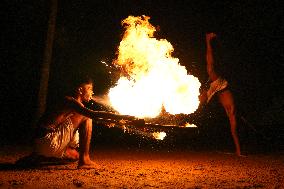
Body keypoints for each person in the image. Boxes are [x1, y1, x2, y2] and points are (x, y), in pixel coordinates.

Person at [17, 75, 135, 169]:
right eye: (89, 88)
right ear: (80, 90)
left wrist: (113, 121)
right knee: (87, 117)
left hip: (43, 145)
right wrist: (123, 116)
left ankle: (38, 158)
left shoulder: (75, 107)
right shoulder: (70, 101)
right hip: (47, 140)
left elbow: (88, 119)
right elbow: (92, 115)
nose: (92, 92)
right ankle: (85, 160)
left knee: (74, 156)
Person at [199, 33, 241, 156]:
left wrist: (238, 152)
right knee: (210, 68)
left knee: (201, 101)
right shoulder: (232, 110)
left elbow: (234, 132)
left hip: (216, 91)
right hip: (221, 86)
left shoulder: (230, 114)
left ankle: (238, 151)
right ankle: (208, 40)